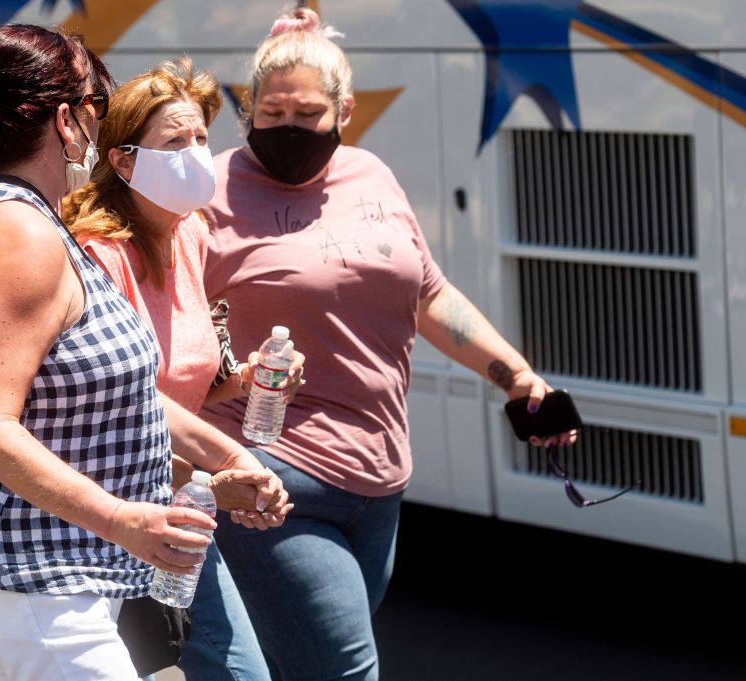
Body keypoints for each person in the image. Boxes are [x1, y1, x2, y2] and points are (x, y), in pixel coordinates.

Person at [0, 25, 282, 681]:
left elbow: (123, 392)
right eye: (99, 103)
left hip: (59, 567)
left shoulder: (33, 220)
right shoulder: (21, 235)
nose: (102, 124)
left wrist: (230, 457)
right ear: (67, 122)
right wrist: (123, 519)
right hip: (30, 570)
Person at [199, 8, 574, 681]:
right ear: (248, 108)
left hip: (379, 478)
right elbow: (173, 323)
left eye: (308, 113)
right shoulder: (212, 193)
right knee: (344, 670)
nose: (288, 126)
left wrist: (516, 375)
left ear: (344, 112)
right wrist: (222, 392)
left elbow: (429, 294)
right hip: (272, 478)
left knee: (303, 665)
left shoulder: (370, 175)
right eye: (272, 111)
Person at [62, 57, 300, 681]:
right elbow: (119, 401)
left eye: (200, 136)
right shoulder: (97, 254)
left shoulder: (188, 234)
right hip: (105, 515)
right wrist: (215, 478)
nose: (196, 153)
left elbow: (186, 379)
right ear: (124, 162)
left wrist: (247, 379)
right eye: (175, 142)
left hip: (176, 506)